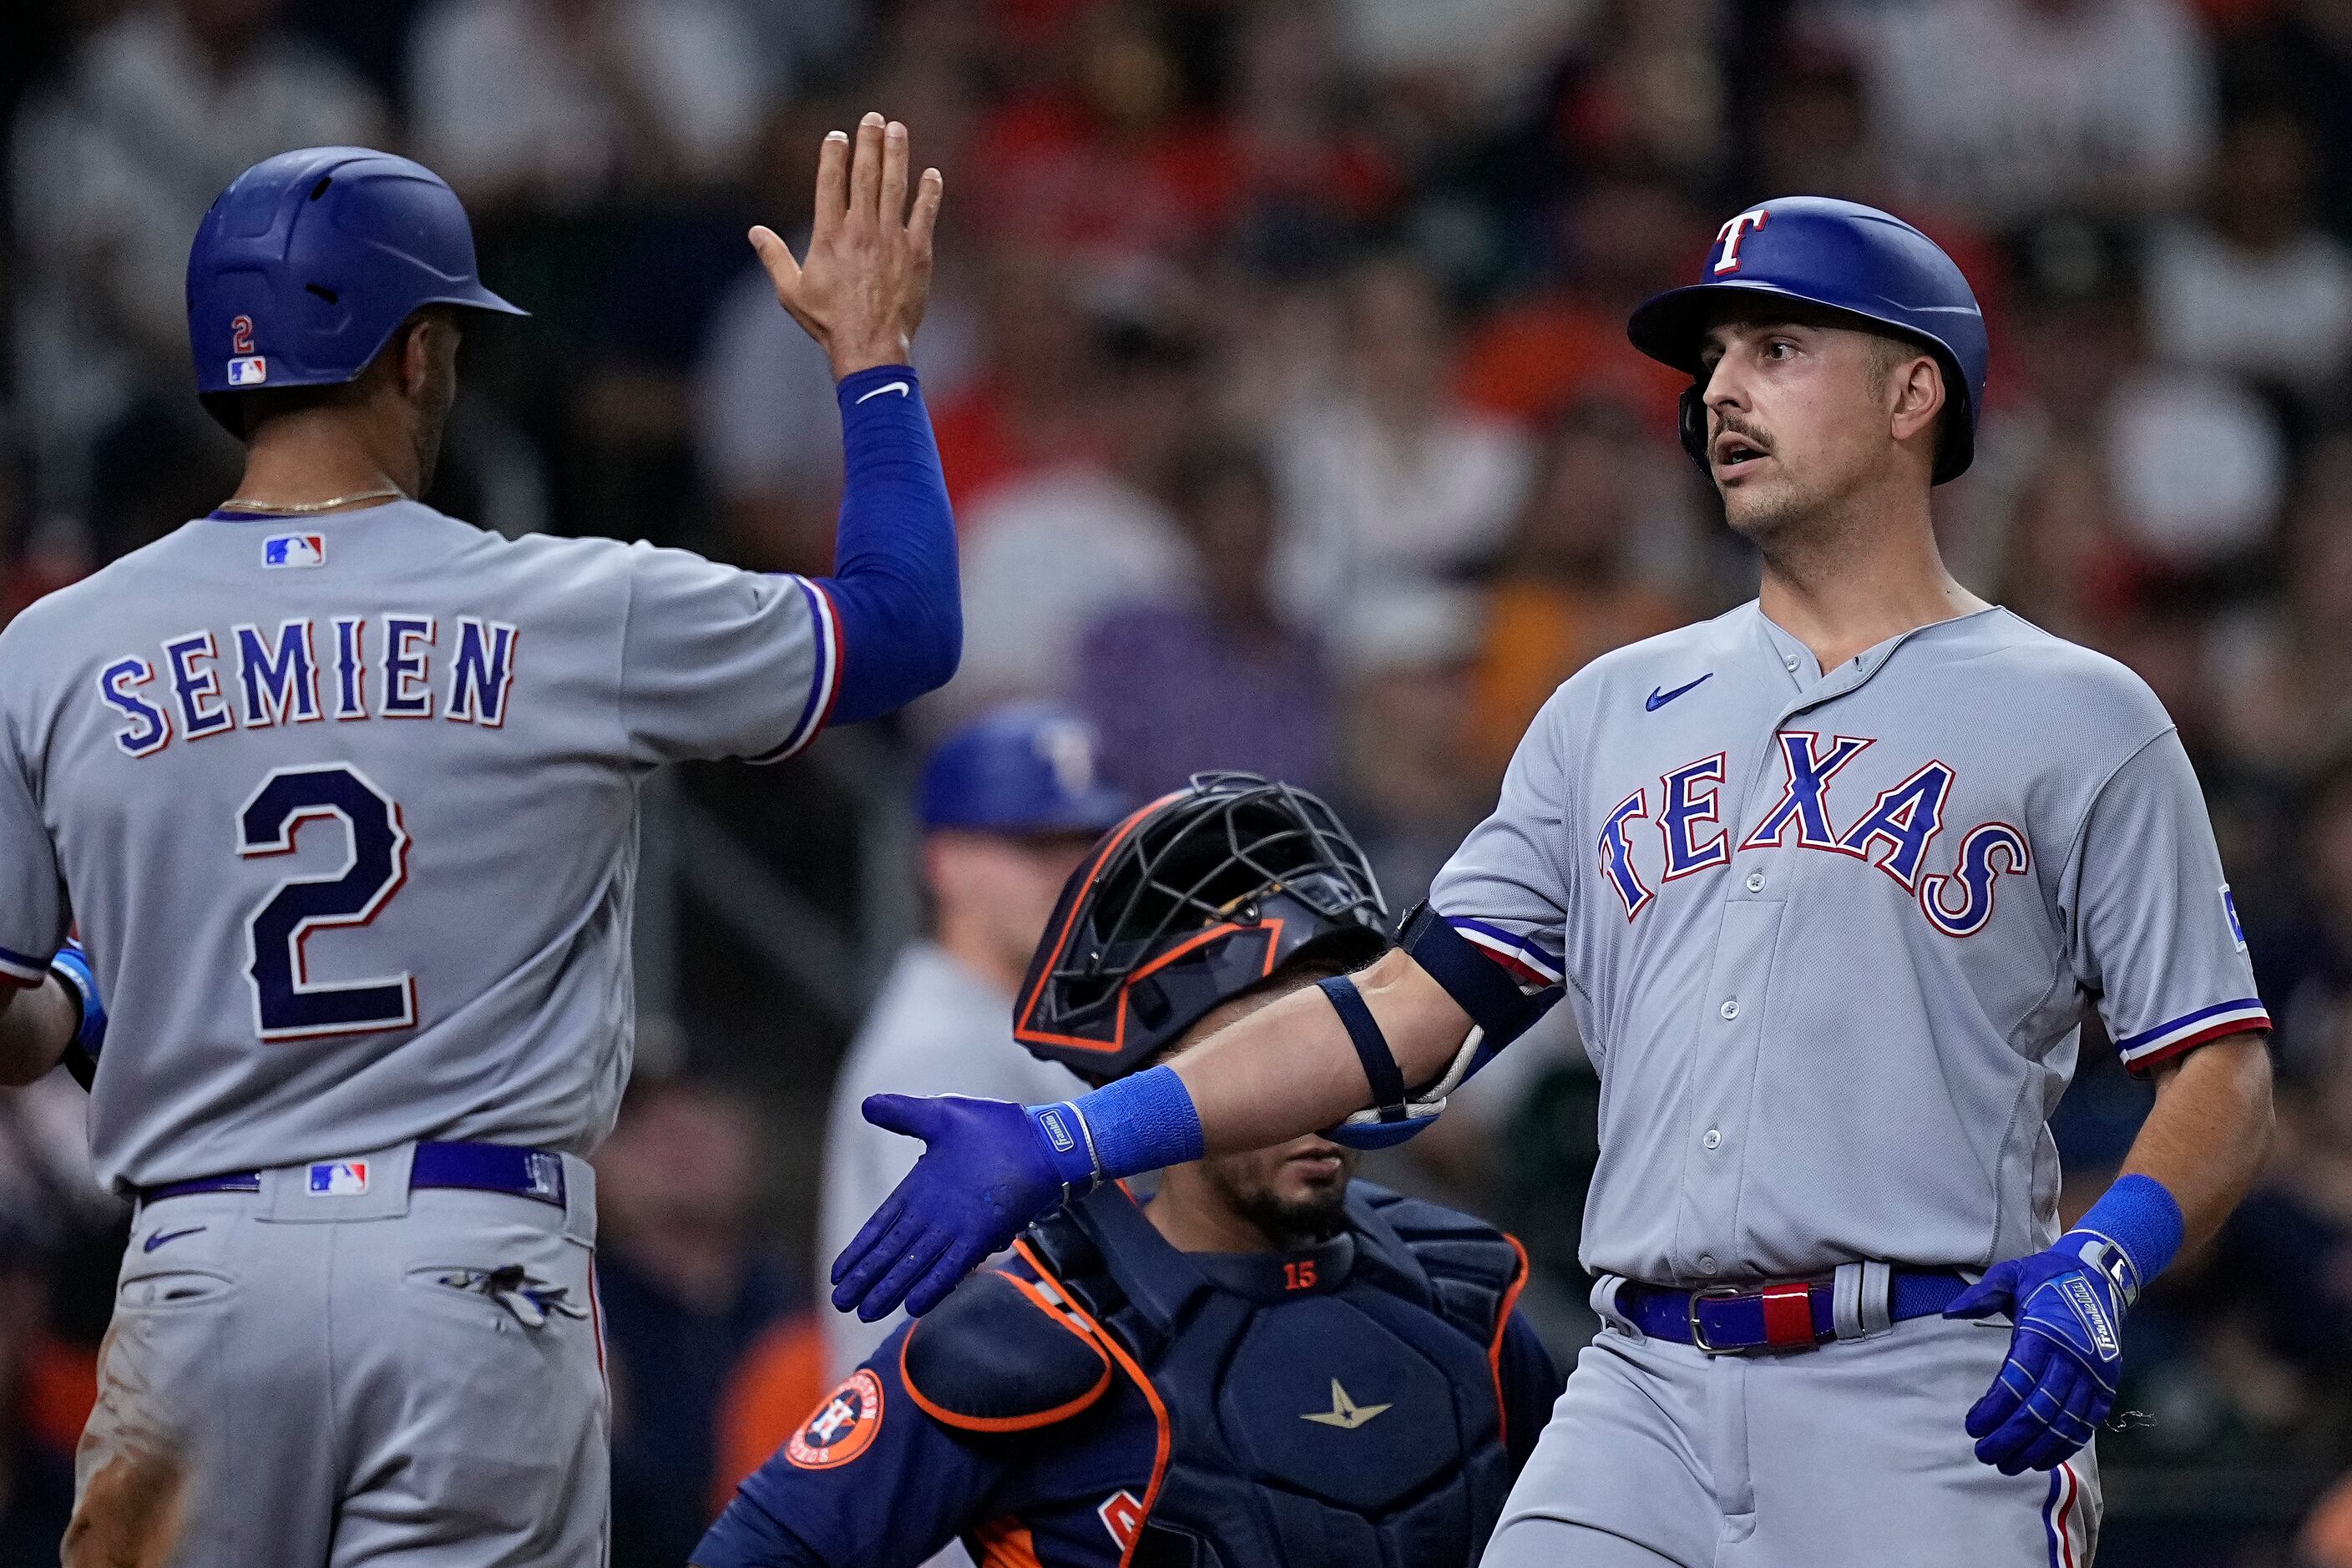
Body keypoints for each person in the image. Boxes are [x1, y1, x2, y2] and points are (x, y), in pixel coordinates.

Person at [831, 199, 2279, 1565]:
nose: (1720, 391)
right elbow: (1405, 1004)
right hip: (1639, 1380)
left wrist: (2107, 1251)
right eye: (1711, 359)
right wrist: (1078, 1136)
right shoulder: (1609, 706)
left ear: (1915, 396)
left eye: (1776, 349)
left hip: (1917, 1383)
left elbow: (2218, 1067)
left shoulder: (2076, 711)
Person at [0, 114, 958, 1568]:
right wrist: (871, 356)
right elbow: (902, 626)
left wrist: (90, 986)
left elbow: (10, 1028)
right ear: (416, 351)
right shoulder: (567, 604)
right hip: (469, 1267)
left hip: (197, 1278)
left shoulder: (53, 647)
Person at [699, 774, 1563, 1568]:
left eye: (1334, 1059)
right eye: (1269, 1061)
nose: (1314, 1099)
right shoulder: (1026, 1333)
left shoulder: (1467, 1296)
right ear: (1163, 1079)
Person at [818, 703, 1130, 1378]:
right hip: (953, 1451)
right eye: (1033, 844)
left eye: (1086, 841)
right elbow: (991, 1315)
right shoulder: (939, 1049)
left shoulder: (1014, 1025)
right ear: (944, 863)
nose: (1072, 870)